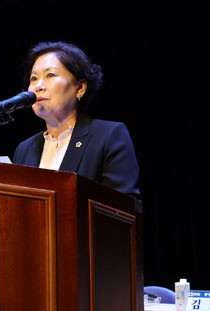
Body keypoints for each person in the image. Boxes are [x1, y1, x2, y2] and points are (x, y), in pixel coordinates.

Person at [13, 41, 140, 197]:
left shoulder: (108, 136)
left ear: (80, 88)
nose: (38, 86)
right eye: (33, 78)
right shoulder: (24, 149)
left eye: (50, 75)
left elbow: (121, 206)